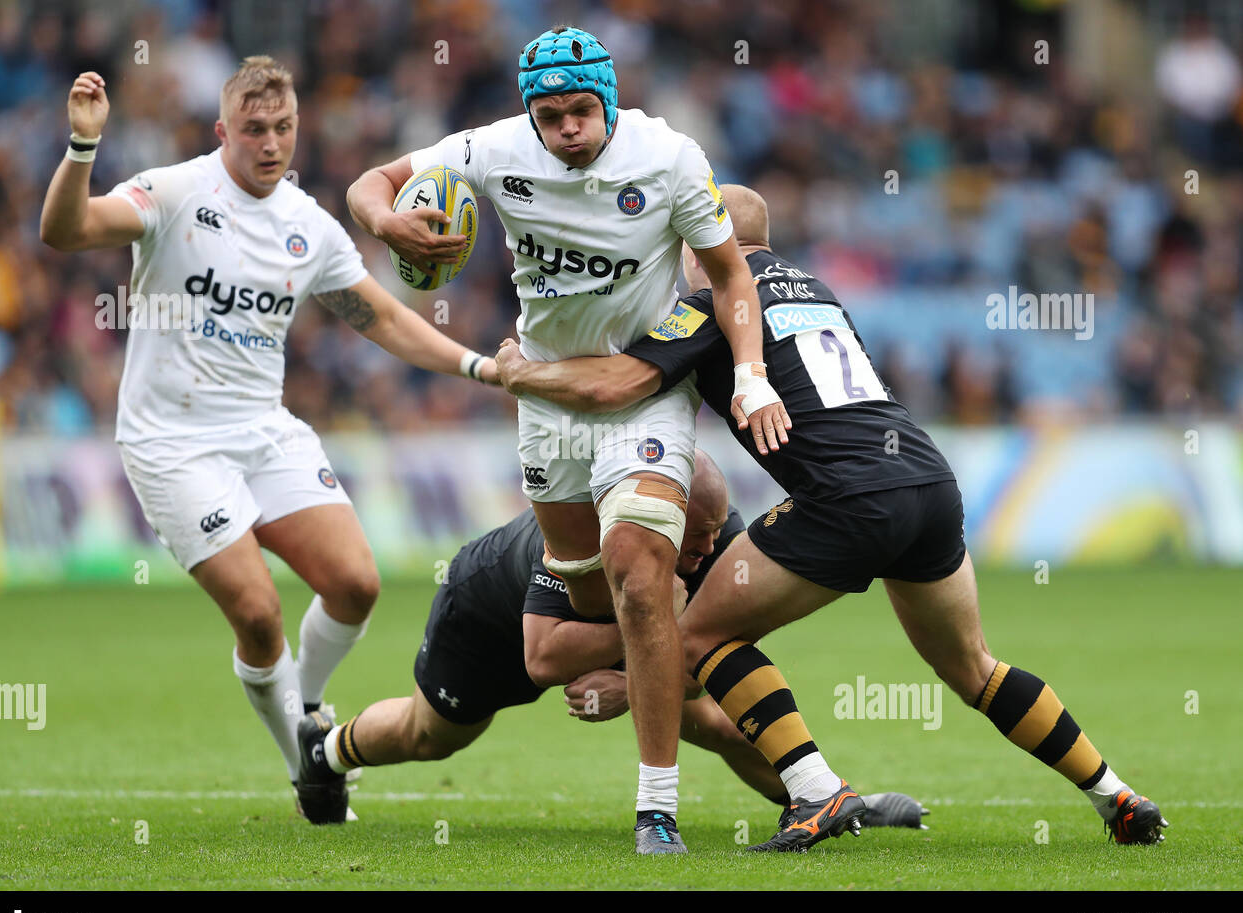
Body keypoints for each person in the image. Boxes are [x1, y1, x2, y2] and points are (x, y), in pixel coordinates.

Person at [496, 185, 1168, 851]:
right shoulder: (816, 289)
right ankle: (1115, 795)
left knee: (698, 638)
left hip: (847, 497)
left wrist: (517, 372)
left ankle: (817, 790)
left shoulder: (713, 303)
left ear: (704, 241)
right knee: (975, 668)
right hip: (926, 481)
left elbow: (619, 383)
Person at [347, 26, 789, 853]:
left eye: (583, 111)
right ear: (531, 113)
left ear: (609, 103)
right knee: (596, 600)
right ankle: (662, 659)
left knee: (638, 572)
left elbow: (731, 273)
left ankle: (656, 807)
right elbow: (372, 182)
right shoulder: (492, 148)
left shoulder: (667, 158)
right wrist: (386, 224)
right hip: (547, 402)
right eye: (551, 116)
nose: (568, 130)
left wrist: (753, 373)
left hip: (644, 396)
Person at [39, 58, 498, 825]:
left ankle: (307, 704)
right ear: (223, 131)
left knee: (356, 584)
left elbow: (381, 317)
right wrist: (82, 148)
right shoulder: (176, 193)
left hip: (264, 431)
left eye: (284, 128)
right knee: (258, 614)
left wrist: (477, 365)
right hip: (173, 442)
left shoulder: (308, 226)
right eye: (254, 130)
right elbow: (65, 231)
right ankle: (308, 765)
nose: (271, 144)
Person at [296, 451, 929, 836]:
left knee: (724, 724)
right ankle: (323, 754)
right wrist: (644, 652)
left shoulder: (711, 535)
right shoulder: (587, 538)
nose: (709, 552)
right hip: (491, 618)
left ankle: (824, 801)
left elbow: (698, 657)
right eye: (697, 539)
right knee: (431, 736)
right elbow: (541, 658)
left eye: (716, 533)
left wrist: (632, 683)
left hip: (610, 632)